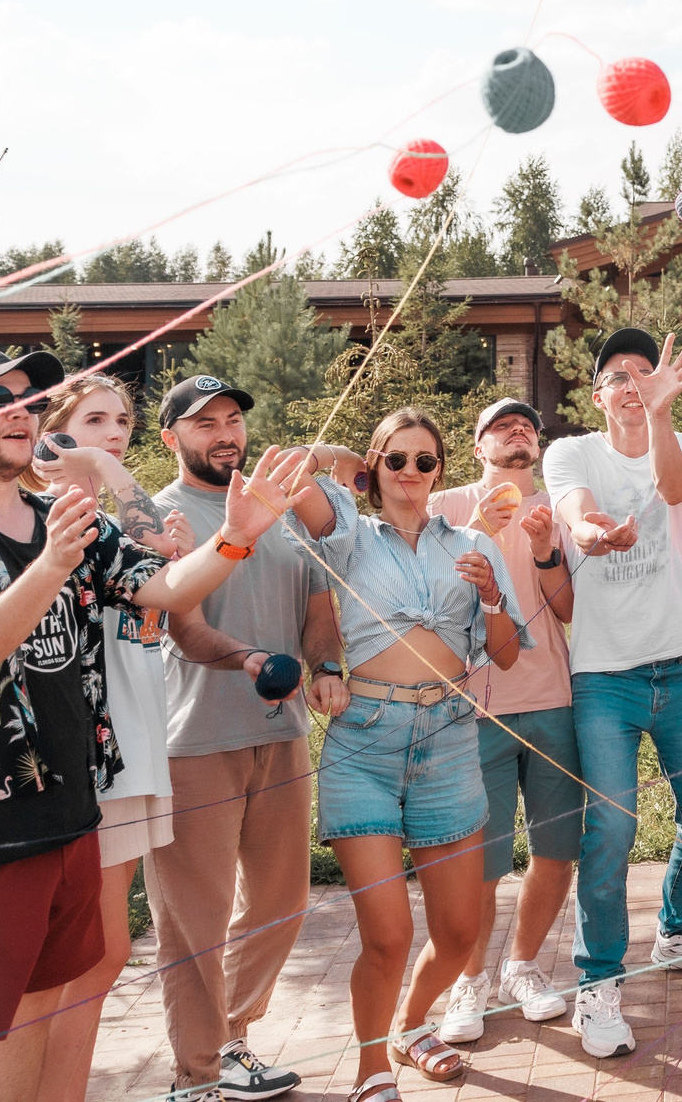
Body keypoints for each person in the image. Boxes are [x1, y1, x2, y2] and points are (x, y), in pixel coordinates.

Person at [0, 349, 304, 1102]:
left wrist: (236, 537)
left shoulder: (61, 521)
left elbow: (159, 584)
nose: (21, 407)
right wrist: (55, 561)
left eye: (30, 396)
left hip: (70, 811)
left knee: (37, 1015)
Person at [283, 407, 526, 1102]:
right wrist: (343, 456)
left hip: (450, 738)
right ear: (374, 467)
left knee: (459, 933)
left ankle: (410, 1025)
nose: (411, 473)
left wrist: (491, 595)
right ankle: (371, 1068)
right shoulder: (348, 534)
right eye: (396, 460)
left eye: (425, 461)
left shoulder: (473, 540)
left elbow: (505, 655)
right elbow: (286, 465)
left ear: (440, 471)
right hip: (365, 741)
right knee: (387, 934)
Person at [146, 376, 352, 1102]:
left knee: (282, 902)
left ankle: (228, 1039)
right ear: (171, 437)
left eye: (233, 418)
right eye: (205, 422)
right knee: (192, 924)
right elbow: (185, 627)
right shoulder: (157, 516)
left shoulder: (278, 504)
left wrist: (324, 663)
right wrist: (250, 658)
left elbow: (317, 597)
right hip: (190, 743)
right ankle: (195, 1076)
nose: (224, 432)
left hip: (281, 733)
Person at [544, 327, 682, 1061]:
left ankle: (679, 924)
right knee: (612, 830)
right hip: (604, 677)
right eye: (616, 376)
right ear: (597, 396)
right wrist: (590, 531)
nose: (631, 382)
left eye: (641, 372)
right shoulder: (571, 451)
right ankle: (598, 983)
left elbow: (678, 488)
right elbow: (574, 507)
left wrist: (660, 413)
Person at [20, 376, 197, 1102]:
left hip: (137, 744)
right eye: (95, 419)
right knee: (92, 954)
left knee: (100, 953)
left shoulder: (112, 518)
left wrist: (115, 477)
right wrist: (107, 469)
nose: (117, 430)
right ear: (52, 435)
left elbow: (168, 574)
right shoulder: (64, 516)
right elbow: (157, 546)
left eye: (124, 419)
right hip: (96, 756)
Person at [425, 398, 579, 1039]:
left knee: (555, 848)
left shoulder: (557, 506)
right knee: (481, 861)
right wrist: (474, 532)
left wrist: (545, 550)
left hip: (552, 701)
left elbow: (568, 608)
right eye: (502, 428)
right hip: (472, 711)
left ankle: (522, 967)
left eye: (527, 428)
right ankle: (469, 981)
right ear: (477, 445)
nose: (518, 434)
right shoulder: (444, 507)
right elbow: (425, 598)